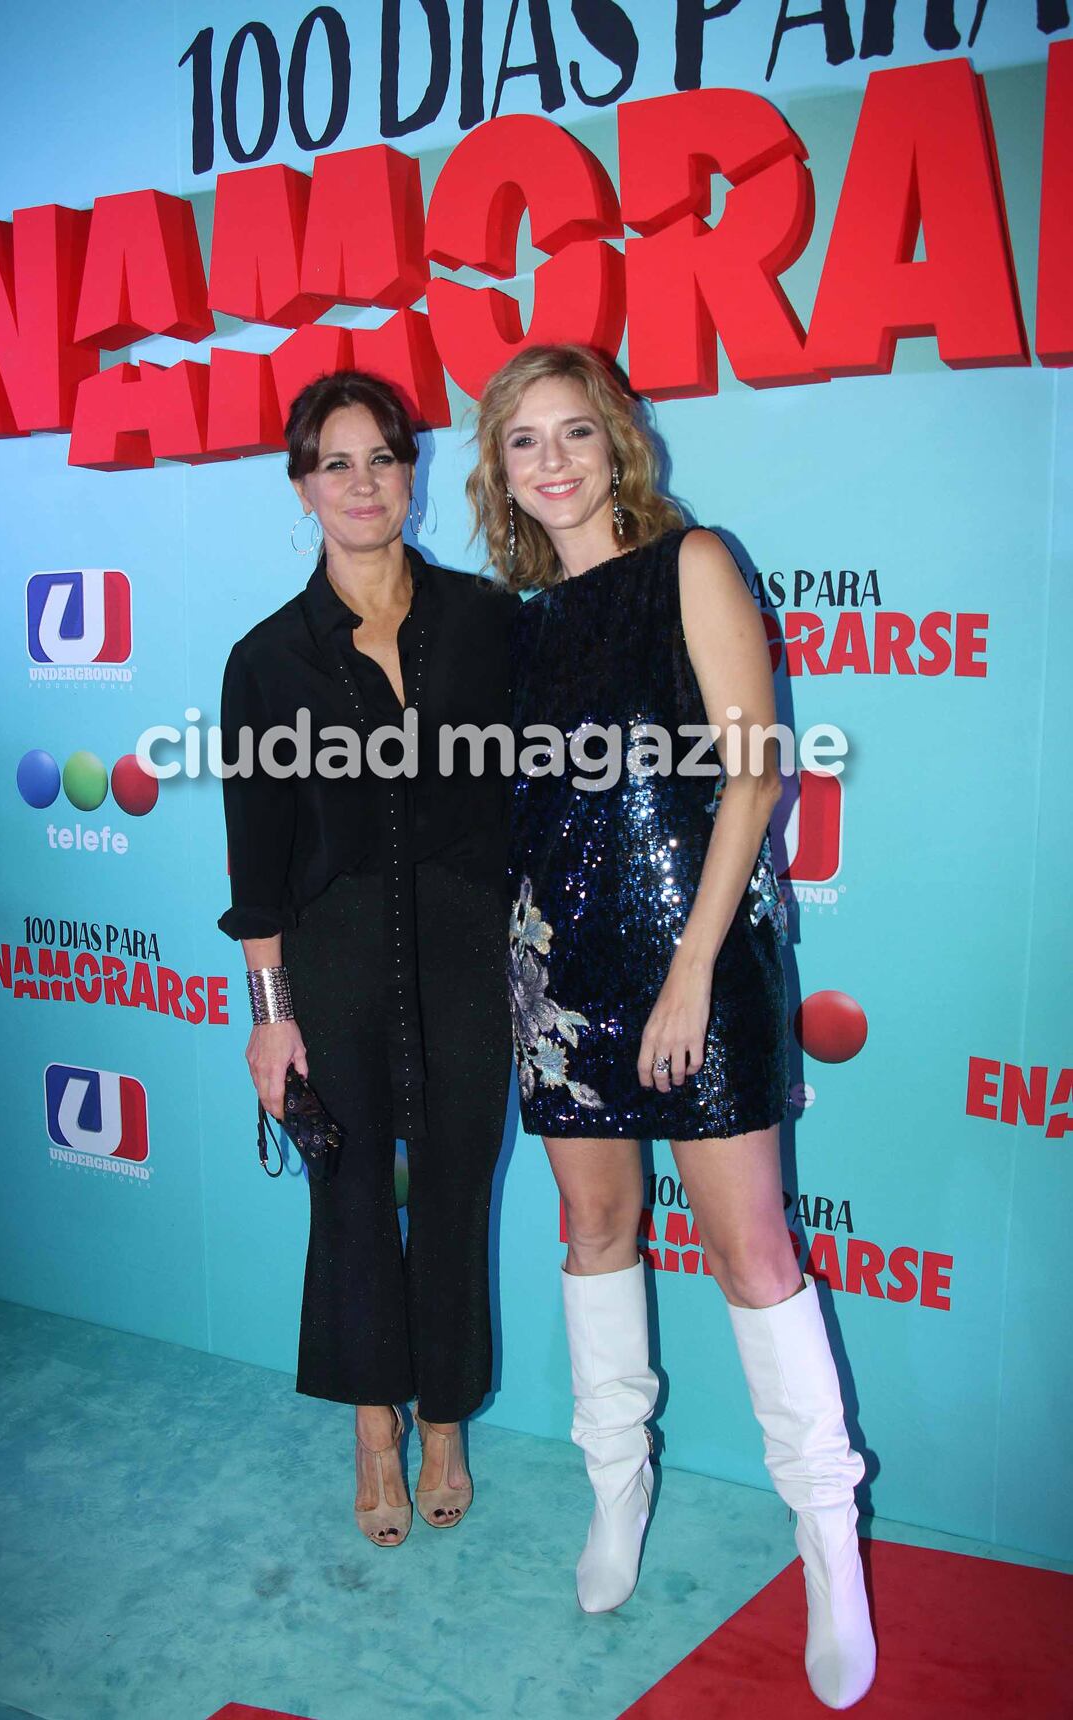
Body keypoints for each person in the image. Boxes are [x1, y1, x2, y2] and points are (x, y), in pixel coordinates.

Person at [466, 344, 875, 1710]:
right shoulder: (511, 624)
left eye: (573, 432)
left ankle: (826, 1543)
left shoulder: (693, 563)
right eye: (523, 442)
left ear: (617, 443)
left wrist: (693, 968)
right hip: (557, 977)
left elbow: (749, 778)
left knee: (751, 1252)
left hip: (695, 953)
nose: (552, 461)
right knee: (591, 1237)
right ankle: (612, 1491)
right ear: (500, 472)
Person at [219, 370, 518, 1548]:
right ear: (302, 485)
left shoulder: (487, 620)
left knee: (452, 1185)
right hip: (332, 963)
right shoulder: (266, 660)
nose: (360, 482)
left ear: (412, 472)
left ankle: (442, 1416)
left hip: (464, 954)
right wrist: (271, 1013)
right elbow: (257, 867)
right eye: (333, 462)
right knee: (348, 1201)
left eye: (381, 458)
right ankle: (371, 1430)